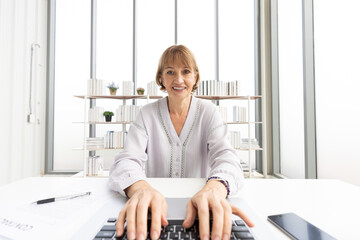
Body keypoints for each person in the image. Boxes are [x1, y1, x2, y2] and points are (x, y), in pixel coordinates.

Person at [108, 45, 254, 240]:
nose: (178, 80)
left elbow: (226, 156)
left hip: (202, 206)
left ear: (195, 76)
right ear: (161, 78)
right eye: (170, 72)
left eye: (185, 71)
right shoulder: (147, 114)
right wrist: (140, 189)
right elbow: (126, 160)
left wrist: (215, 188)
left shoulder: (208, 112)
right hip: (154, 210)